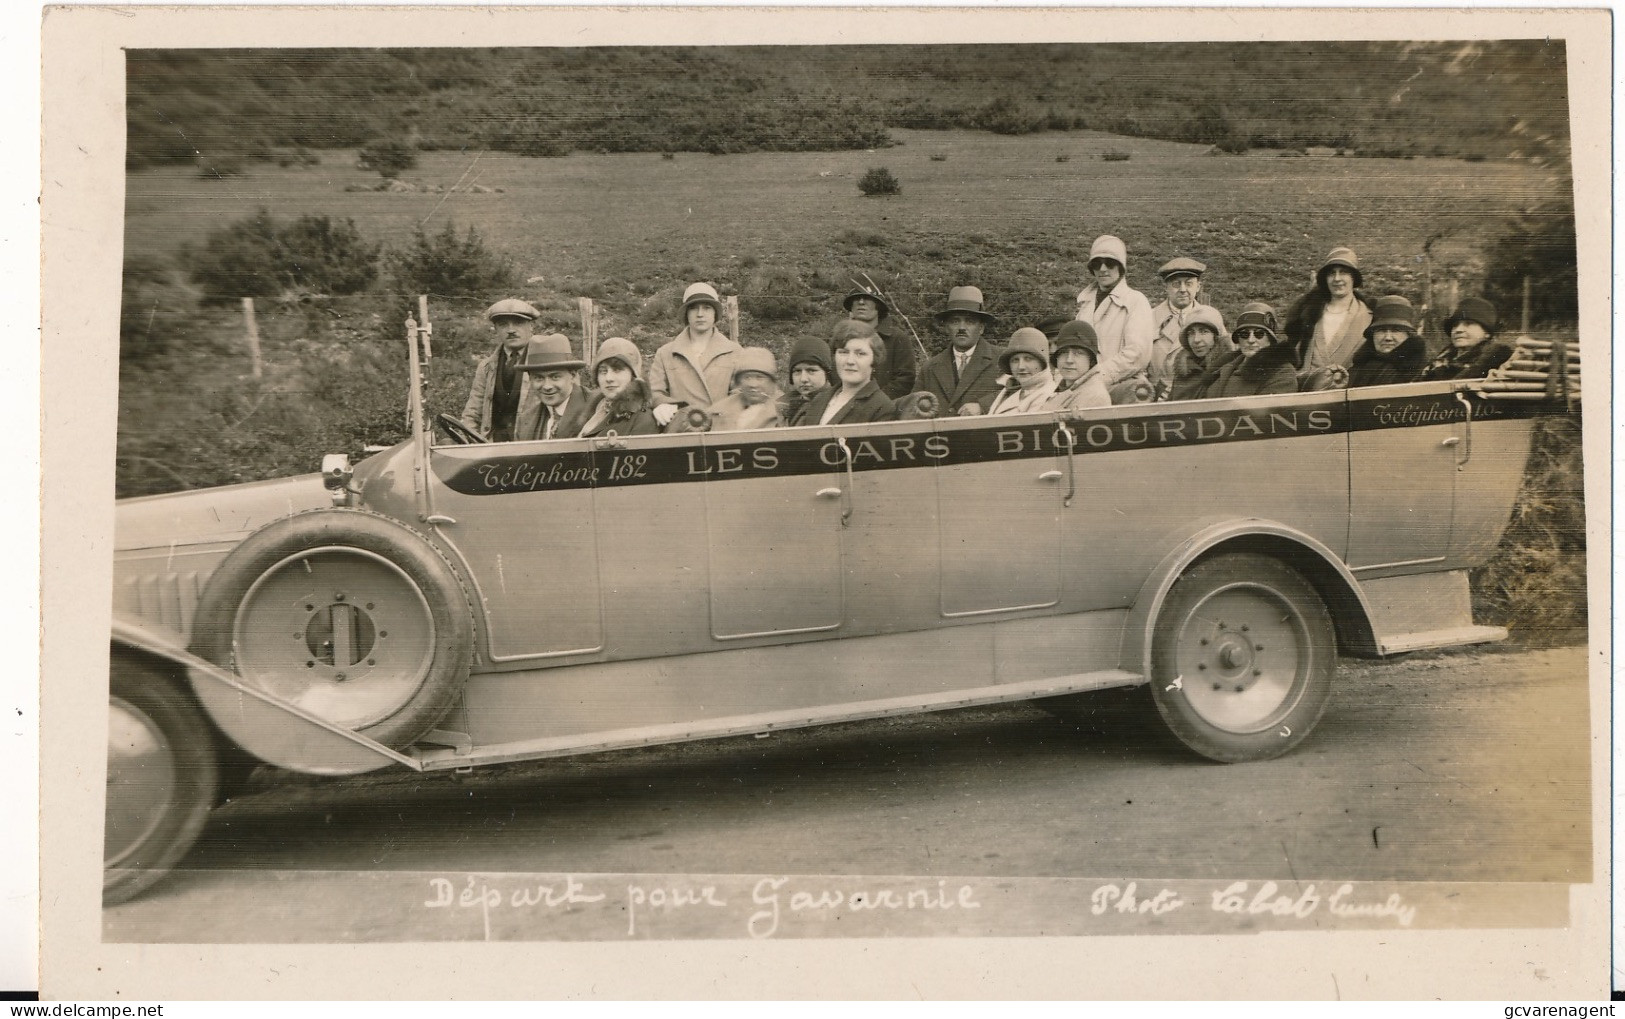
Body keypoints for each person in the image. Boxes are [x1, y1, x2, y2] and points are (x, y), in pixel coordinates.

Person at [648, 282, 742, 429]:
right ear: (686, 313)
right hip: (680, 432)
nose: (700, 314)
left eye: (707, 308)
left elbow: (740, 393)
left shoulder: (735, 351)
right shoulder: (665, 353)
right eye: (693, 308)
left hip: (722, 432)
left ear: (715, 313)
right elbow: (655, 392)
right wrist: (662, 405)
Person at [1073, 234, 1154, 403]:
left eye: (1109, 263)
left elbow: (1137, 354)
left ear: (1120, 267)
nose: (1102, 269)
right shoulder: (1084, 304)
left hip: (1124, 387)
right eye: (1097, 263)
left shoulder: (1135, 300)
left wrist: (1099, 376)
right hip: (1086, 388)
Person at [460, 298, 546, 442]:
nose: (511, 330)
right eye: (503, 324)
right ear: (496, 329)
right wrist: (470, 444)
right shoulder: (486, 367)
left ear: (531, 326)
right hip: (493, 447)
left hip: (532, 446)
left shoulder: (546, 361)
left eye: (518, 323)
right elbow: (473, 413)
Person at [1284, 246, 1373, 386]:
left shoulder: (1370, 316)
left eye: (1343, 272)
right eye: (1331, 273)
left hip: (1350, 394)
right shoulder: (1307, 315)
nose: (1337, 279)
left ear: (1353, 278)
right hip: (1307, 391)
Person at [913, 285, 1003, 415]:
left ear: (981, 328)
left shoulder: (1002, 360)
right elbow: (914, 406)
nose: (962, 328)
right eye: (955, 321)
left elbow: (1020, 392)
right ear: (946, 327)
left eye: (969, 321)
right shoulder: (930, 368)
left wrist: (983, 406)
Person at [802, 321, 897, 425]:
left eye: (860, 354)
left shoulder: (881, 407)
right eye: (843, 352)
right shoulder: (819, 399)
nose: (850, 361)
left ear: (874, 360)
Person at [1200, 302, 1299, 399]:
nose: (1251, 340)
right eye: (1244, 334)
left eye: (1259, 334)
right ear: (1238, 339)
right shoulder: (1224, 368)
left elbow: (1268, 412)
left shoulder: (1282, 372)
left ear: (1270, 339)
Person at [842, 284, 918, 399]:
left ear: (879, 305)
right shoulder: (841, 338)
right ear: (851, 307)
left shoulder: (897, 338)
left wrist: (874, 401)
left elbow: (905, 379)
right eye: (856, 298)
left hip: (885, 408)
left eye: (867, 298)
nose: (861, 302)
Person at [1148, 256, 1208, 399]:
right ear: (1166, 287)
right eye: (1176, 284)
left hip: (1196, 395)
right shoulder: (1149, 318)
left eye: (1189, 284)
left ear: (1198, 286)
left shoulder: (1209, 318)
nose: (1182, 290)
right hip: (1157, 396)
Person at [577, 337, 661, 438]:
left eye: (617, 370)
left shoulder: (642, 420)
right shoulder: (592, 412)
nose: (608, 378)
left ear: (633, 375)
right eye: (603, 371)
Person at [515, 332, 592, 440]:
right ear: (530, 379)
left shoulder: (595, 410)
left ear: (573, 376)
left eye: (555, 377)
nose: (547, 386)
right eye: (539, 378)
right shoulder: (524, 421)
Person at [1418, 297, 1514, 382]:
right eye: (1455, 325)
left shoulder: (1497, 364)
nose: (1458, 330)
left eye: (1468, 324)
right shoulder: (1440, 361)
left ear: (1487, 333)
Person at [1348, 295, 1429, 388]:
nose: (1388, 337)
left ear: (1408, 335)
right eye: (1381, 330)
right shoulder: (1357, 371)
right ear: (1372, 335)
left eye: (1396, 330)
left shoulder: (1423, 372)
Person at [1163, 305, 1233, 403]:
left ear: (1216, 336)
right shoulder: (1182, 374)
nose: (1196, 340)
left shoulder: (1228, 370)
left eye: (1204, 332)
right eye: (1191, 333)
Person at [985, 328, 1058, 415]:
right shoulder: (1009, 392)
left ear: (1042, 363)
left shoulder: (1050, 396)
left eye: (1028, 359)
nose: (1021, 367)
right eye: (1015, 360)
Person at [708, 347, 783, 432]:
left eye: (759, 378)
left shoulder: (786, 410)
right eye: (747, 377)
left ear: (771, 381)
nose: (753, 384)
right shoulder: (719, 411)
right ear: (738, 382)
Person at [1046, 321, 1112, 412]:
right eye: (1064, 352)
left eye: (1078, 353)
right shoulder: (1065, 388)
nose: (1069, 360)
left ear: (1091, 360)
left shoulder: (1093, 396)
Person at [779, 334, 834, 427]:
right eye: (797, 371)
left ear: (826, 373)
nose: (803, 379)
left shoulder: (834, 405)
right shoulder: (782, 405)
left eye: (811, 370)